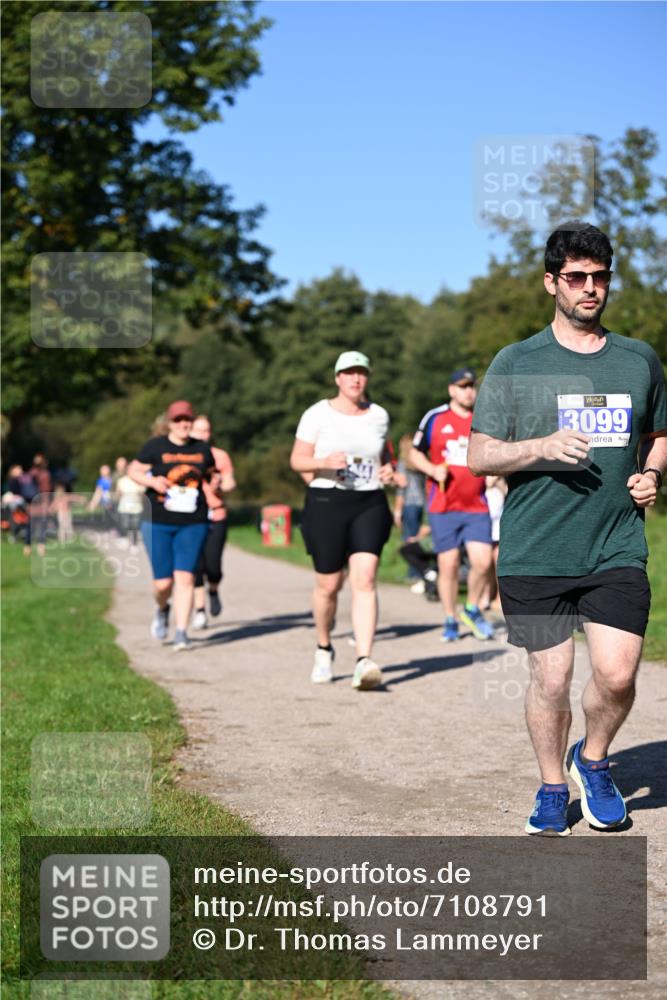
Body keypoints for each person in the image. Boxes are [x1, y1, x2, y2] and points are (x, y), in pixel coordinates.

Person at [468, 221, 667, 837]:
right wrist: (541, 446)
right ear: (550, 282)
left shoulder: (637, 359)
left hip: (614, 543)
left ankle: (596, 760)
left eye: (599, 278)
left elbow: (658, 434)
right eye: (576, 278)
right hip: (534, 550)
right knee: (550, 678)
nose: (589, 289)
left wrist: (652, 473)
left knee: (617, 674)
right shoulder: (517, 362)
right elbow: (479, 455)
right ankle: (554, 785)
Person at [290, 350, 397, 690]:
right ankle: (324, 647)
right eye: (349, 373)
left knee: (364, 578)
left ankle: (364, 660)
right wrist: (323, 461)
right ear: (337, 378)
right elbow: (297, 460)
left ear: (367, 378)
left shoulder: (379, 415)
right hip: (326, 501)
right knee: (328, 585)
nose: (355, 379)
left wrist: (388, 470)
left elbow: (383, 454)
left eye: (361, 373)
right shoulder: (316, 414)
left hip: (369, 501)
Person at [409, 369, 495, 642]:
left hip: (476, 505)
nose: (468, 391)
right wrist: (432, 470)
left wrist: (495, 474)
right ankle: (449, 617)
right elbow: (414, 452)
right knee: (449, 565)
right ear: (451, 390)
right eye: (462, 386)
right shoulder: (435, 418)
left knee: (482, 562)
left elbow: (494, 451)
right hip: (443, 505)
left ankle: (471, 608)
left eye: (471, 386)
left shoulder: (484, 419)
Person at [128, 400, 215, 651]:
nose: (184, 424)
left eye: (187, 419)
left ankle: (181, 633)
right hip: (158, 521)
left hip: (193, 522)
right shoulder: (155, 447)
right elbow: (134, 471)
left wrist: (216, 483)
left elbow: (211, 475)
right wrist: (153, 482)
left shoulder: (202, 449)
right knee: (163, 584)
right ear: (169, 423)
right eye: (178, 420)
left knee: (186, 577)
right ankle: (162, 608)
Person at [189, 414, 236, 628]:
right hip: (190, 517)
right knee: (195, 565)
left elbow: (230, 482)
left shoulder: (220, 456)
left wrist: (221, 485)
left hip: (215, 514)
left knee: (213, 565)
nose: (202, 434)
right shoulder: (183, 455)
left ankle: (214, 589)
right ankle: (200, 609)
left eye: (206, 430)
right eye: (198, 430)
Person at [394, 434, 426, 586]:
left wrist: (397, 510)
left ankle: (413, 574)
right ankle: (421, 571)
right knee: (417, 538)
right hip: (422, 504)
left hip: (409, 504)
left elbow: (402, 488)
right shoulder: (419, 463)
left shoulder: (403, 464)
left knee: (408, 538)